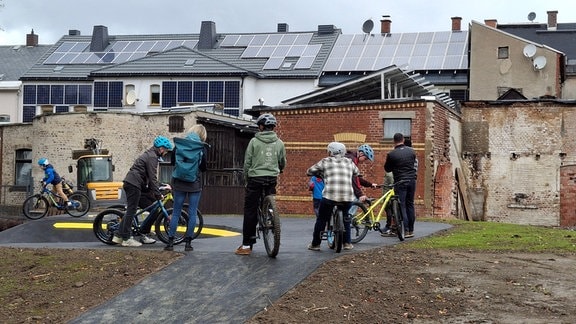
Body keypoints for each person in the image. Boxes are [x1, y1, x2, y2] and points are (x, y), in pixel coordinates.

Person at [235, 113, 286, 255]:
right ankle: (271, 214)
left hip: (255, 179)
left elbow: (247, 163)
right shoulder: (279, 143)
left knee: (250, 210)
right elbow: (282, 161)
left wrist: (246, 178)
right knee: (269, 197)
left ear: (261, 127)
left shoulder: (254, 142)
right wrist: (279, 169)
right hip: (271, 178)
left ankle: (246, 246)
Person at [113, 136, 174, 247]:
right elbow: (152, 177)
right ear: (161, 149)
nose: (166, 153)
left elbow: (151, 179)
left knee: (153, 208)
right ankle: (126, 239)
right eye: (166, 150)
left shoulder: (151, 155)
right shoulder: (152, 157)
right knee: (131, 211)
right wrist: (158, 193)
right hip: (133, 184)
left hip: (138, 185)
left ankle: (125, 235)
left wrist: (161, 186)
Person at [307, 142, 360, 251]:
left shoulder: (325, 161)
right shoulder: (349, 162)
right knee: (346, 217)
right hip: (347, 196)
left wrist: (320, 173)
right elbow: (357, 172)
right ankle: (347, 243)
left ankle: (315, 244)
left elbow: (310, 171)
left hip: (330, 196)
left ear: (330, 151)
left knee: (322, 218)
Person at [164, 124, 209, 252]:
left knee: (176, 212)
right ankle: (188, 243)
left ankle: (170, 242)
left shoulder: (179, 145)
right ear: (202, 135)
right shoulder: (201, 147)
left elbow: (173, 162)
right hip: (194, 183)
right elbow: (204, 167)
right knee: (192, 212)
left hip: (178, 182)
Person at [344, 144, 378, 249]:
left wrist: (370, 184)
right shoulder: (352, 160)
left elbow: (358, 179)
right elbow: (353, 179)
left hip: (341, 188)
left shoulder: (350, 158)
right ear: (361, 153)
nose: (365, 160)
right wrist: (360, 194)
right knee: (349, 212)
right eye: (366, 158)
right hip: (346, 190)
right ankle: (345, 238)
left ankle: (339, 228)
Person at [384, 133, 417, 238]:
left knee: (401, 205)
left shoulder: (391, 154)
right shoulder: (412, 151)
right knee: (410, 204)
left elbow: (387, 169)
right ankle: (411, 229)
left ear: (394, 141)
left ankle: (405, 229)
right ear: (403, 139)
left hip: (400, 182)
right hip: (412, 180)